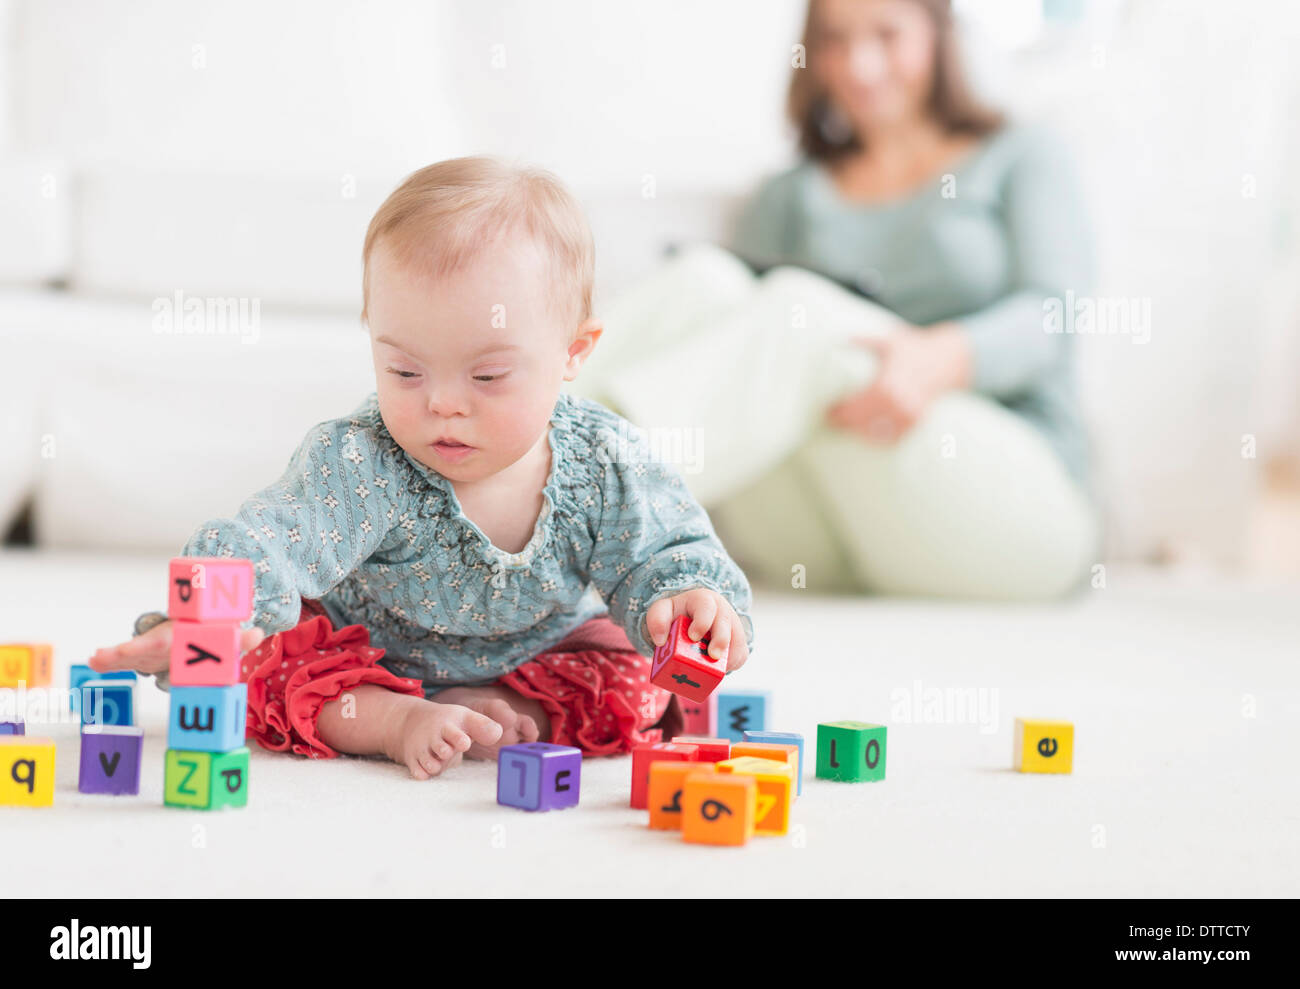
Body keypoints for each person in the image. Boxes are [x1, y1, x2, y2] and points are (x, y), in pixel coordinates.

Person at [87, 156, 755, 779]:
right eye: (404, 370)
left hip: (539, 653)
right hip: (372, 656)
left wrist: (687, 603)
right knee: (269, 663)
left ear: (573, 352)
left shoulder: (606, 461)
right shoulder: (361, 457)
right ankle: (392, 718)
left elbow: (663, 549)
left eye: (488, 374)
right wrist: (215, 620)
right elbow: (272, 538)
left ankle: (498, 703)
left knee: (634, 684)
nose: (441, 403)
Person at [569, 0, 1098, 600]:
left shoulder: (1020, 153)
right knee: (707, 280)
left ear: (938, 34)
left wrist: (940, 357)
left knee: (802, 313)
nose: (859, 64)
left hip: (1009, 503)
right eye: (835, 41)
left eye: (886, 34)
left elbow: (1054, 316)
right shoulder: (790, 194)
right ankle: (522, 441)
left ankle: (565, 515)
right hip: (830, 533)